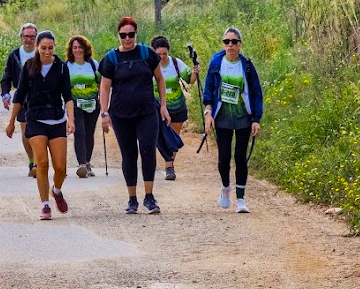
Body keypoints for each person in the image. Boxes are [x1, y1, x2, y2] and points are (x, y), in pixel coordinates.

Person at [5, 31, 74, 220]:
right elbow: (19, 96)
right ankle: (45, 205)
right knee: (42, 163)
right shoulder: (29, 67)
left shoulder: (61, 68)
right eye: (43, 48)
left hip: (57, 119)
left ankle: (57, 191)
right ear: (37, 47)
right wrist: (11, 121)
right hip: (35, 118)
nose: (47, 51)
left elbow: (68, 96)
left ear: (54, 47)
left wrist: (71, 120)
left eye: (50, 48)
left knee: (61, 168)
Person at [99, 17, 165, 214]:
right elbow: (105, 86)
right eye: (123, 35)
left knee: (147, 150)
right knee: (129, 155)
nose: (127, 39)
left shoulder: (148, 54)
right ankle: (132, 199)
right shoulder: (111, 59)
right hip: (120, 114)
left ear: (136, 34)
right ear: (118, 35)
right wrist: (104, 113)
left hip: (147, 112)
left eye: (131, 34)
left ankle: (149, 197)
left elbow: (160, 80)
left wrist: (163, 105)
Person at [202, 27, 263, 214]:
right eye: (226, 41)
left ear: (240, 44)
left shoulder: (247, 66)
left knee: (240, 157)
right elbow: (209, 90)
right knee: (224, 158)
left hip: (243, 117)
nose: (230, 45)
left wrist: (256, 119)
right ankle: (225, 187)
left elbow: (255, 93)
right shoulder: (216, 62)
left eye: (234, 42)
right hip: (222, 117)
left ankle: (241, 199)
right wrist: (208, 114)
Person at [151, 35, 198, 181]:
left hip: (177, 106)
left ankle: (169, 166)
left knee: (173, 138)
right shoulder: (149, 66)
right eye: (159, 54)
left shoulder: (176, 63)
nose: (162, 57)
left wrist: (195, 72)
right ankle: (164, 164)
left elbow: (190, 81)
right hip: (158, 107)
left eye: (165, 54)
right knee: (160, 137)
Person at [0, 23, 40, 177]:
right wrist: (6, 94)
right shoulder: (15, 55)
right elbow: (6, 77)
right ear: (21, 38)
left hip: (40, 98)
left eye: (32, 37)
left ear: (37, 38)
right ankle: (32, 161)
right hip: (22, 98)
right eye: (26, 36)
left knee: (38, 130)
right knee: (26, 131)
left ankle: (38, 162)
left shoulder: (42, 53)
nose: (29, 40)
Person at [65, 36, 101, 178]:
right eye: (75, 48)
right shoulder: (67, 66)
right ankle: (81, 165)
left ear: (85, 49)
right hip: (75, 104)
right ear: (71, 50)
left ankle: (87, 162)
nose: (78, 50)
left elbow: (100, 83)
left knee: (89, 133)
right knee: (79, 131)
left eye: (80, 47)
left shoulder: (93, 65)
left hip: (92, 104)